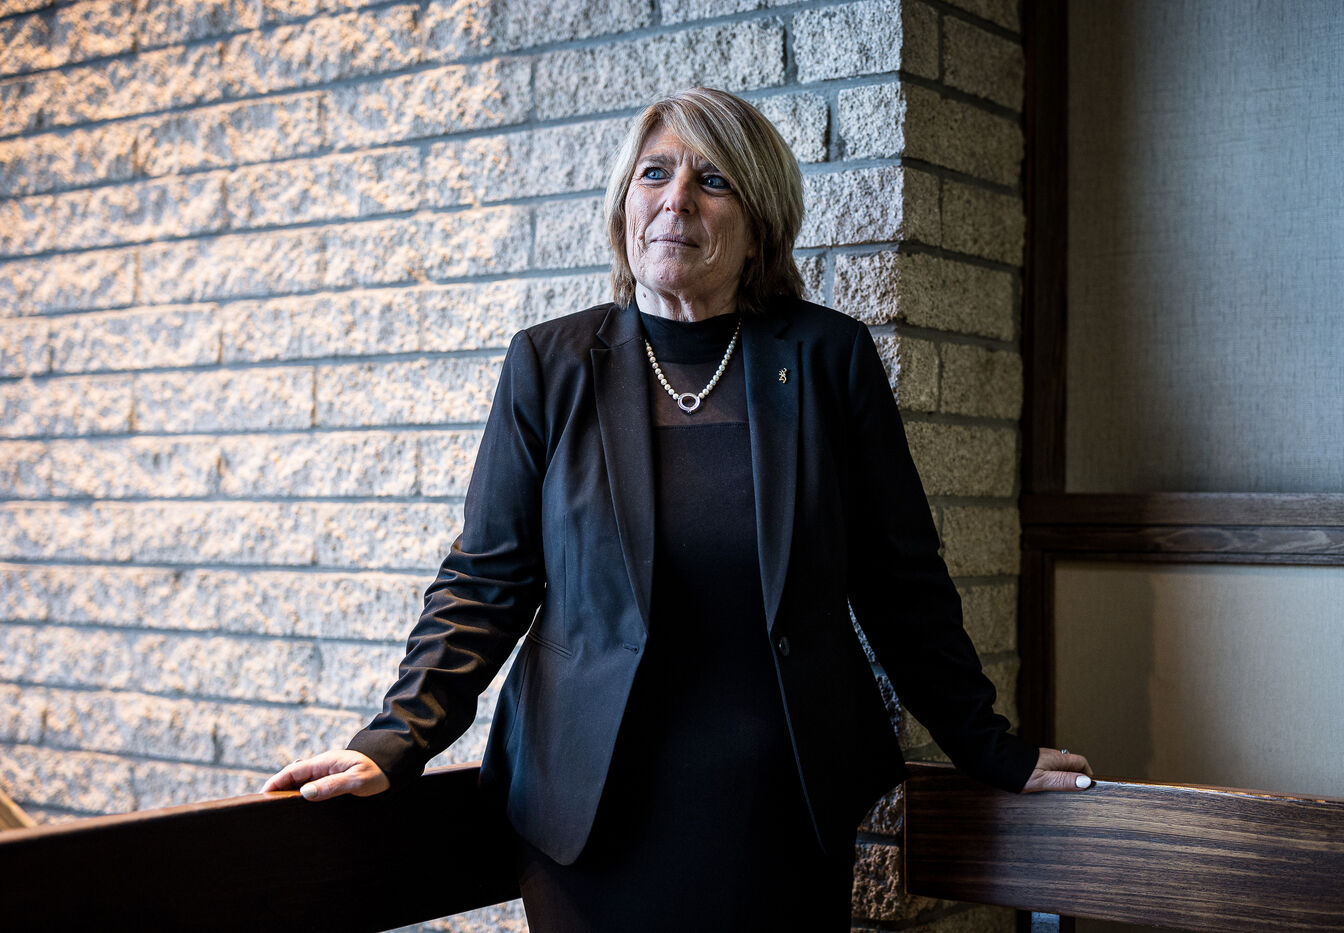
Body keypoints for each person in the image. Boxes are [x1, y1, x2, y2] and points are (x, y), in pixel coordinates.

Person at [263, 86, 1093, 930]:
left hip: (779, 817)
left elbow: (901, 582)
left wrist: (989, 746)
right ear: (625, 203)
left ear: (760, 222)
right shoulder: (550, 365)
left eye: (713, 179)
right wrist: (395, 739)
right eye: (654, 173)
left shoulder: (829, 360)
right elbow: (484, 582)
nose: (677, 199)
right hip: (587, 819)